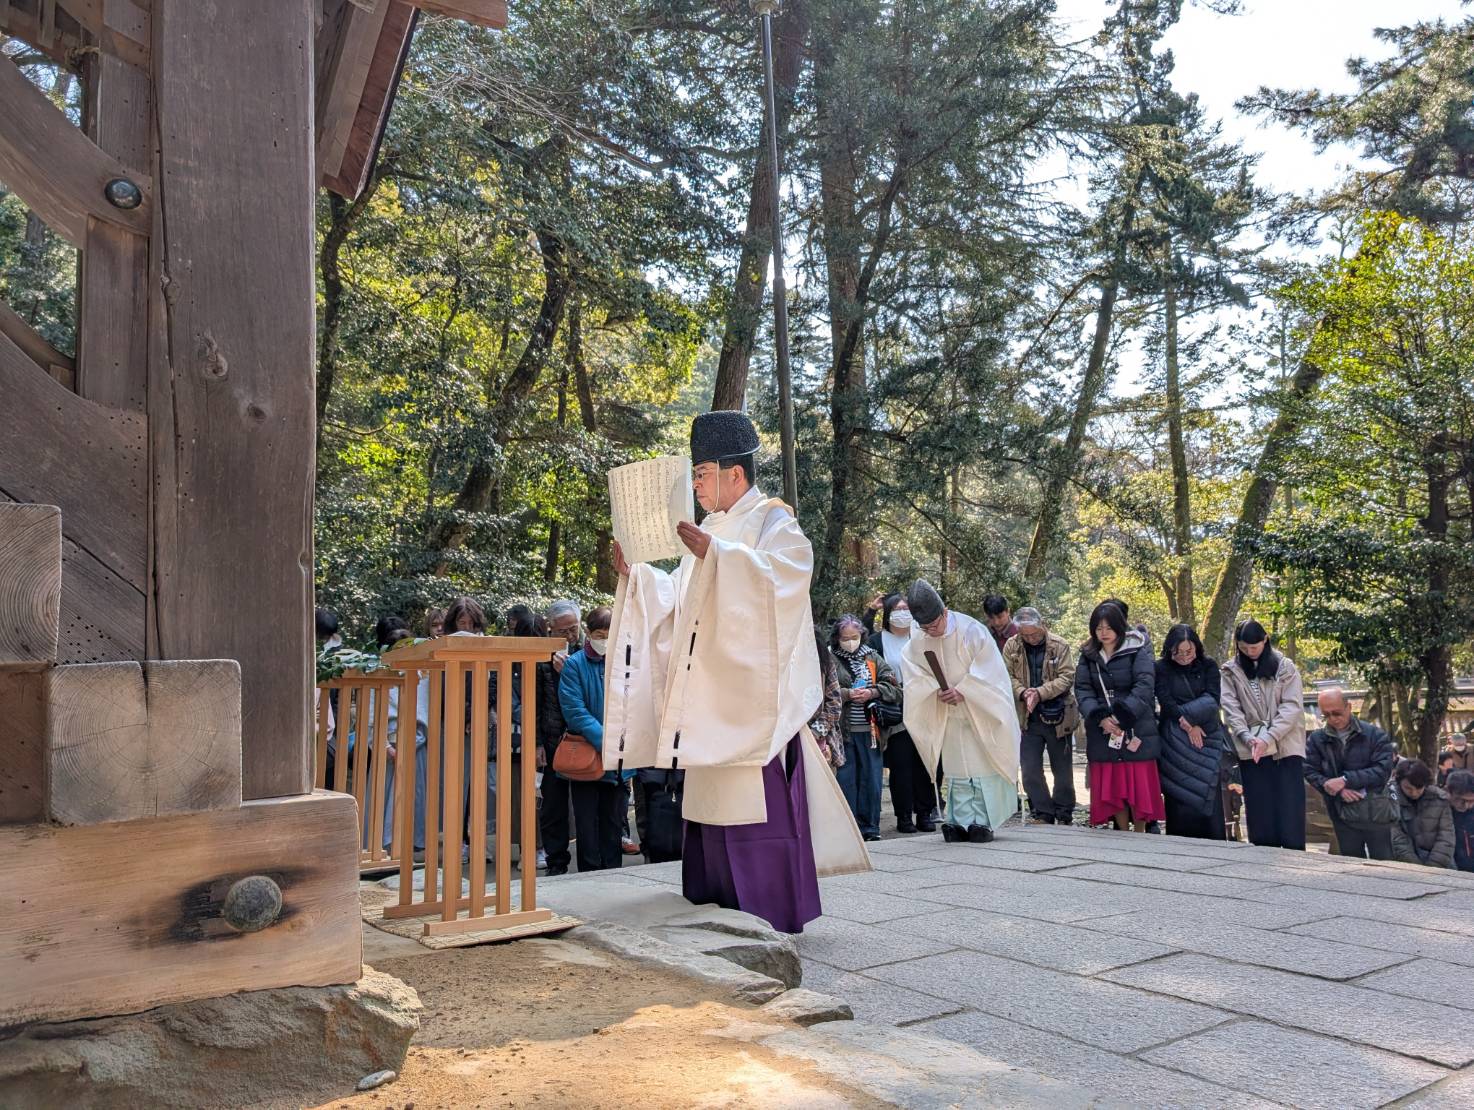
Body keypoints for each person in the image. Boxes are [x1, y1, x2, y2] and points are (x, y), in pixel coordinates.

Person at [605, 410, 868, 932]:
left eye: (702, 474)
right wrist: (639, 578)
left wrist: (722, 558)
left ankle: (766, 909)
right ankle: (714, 902)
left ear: (735, 473)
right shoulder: (708, 531)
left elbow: (789, 578)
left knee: (752, 805)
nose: (696, 486)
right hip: (711, 699)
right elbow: (681, 604)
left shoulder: (773, 520)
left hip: (750, 704)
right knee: (711, 805)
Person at [901, 579, 1019, 844]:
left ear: (944, 612)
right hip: (947, 712)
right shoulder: (918, 637)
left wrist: (965, 689)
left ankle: (982, 821)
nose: (930, 632)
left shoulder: (972, 631)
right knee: (957, 769)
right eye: (924, 627)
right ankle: (958, 820)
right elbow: (913, 672)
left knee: (981, 766)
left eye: (934, 625)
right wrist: (934, 689)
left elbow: (990, 671)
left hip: (979, 710)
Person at [556, 606, 634, 871]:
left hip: (618, 761)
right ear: (588, 633)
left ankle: (614, 876)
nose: (605, 640)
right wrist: (606, 741)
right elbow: (574, 712)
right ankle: (588, 876)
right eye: (600, 635)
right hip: (586, 760)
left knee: (614, 825)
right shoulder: (574, 665)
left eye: (610, 635)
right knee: (587, 826)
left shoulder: (625, 662)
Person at [1075, 601, 1163, 832]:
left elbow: (1144, 684)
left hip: (1135, 724)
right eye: (1098, 628)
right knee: (1114, 781)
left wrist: (1122, 716)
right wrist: (1100, 718)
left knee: (1137, 781)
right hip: (1103, 728)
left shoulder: (1137, 649)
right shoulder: (1088, 654)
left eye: (1108, 628)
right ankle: (1122, 831)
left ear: (1119, 627)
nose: (1103, 633)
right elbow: (1083, 689)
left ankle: (1140, 830)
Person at [1220, 619, 1307, 850]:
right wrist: (1247, 737)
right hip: (1252, 748)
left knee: (1290, 807)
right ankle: (1263, 855)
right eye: (1244, 648)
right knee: (1260, 808)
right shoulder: (1230, 671)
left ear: (1265, 640)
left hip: (1285, 747)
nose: (1249, 652)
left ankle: (1295, 856)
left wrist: (1268, 737)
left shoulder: (1285, 667)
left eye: (1254, 647)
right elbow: (1231, 708)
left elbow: (1291, 706)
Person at [1154, 624, 1235, 841]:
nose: (1183, 657)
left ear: (1196, 648)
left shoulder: (1209, 666)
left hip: (1207, 734)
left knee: (1208, 792)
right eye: (1178, 652)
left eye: (1188, 651)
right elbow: (1165, 701)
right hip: (1175, 738)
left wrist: (1196, 723)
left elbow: (1212, 699)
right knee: (1179, 796)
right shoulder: (1161, 668)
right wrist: (1188, 725)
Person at [1001, 607, 1077, 825]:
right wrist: (1023, 692)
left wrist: (1040, 692)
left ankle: (1064, 813)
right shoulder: (1012, 645)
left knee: (1062, 770)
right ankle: (1043, 812)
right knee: (1029, 769)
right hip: (1027, 716)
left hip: (1058, 716)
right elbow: (1005, 675)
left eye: (1034, 634)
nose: (1030, 639)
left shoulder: (1060, 645)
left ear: (1042, 625)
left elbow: (1067, 676)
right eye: (1025, 635)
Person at [868, 594, 937, 833]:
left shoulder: (921, 637)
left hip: (925, 707)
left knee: (925, 763)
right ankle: (904, 816)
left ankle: (925, 813)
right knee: (901, 765)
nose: (902, 612)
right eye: (897, 609)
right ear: (888, 614)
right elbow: (866, 663)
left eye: (906, 608)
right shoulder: (877, 641)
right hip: (895, 712)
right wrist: (870, 612)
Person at [1304, 687, 1397, 860]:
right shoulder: (1317, 739)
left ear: (1349, 707)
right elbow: (1309, 770)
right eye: (1326, 715)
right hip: (1341, 811)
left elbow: (1382, 770)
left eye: (1337, 713)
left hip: (1375, 810)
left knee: (1384, 862)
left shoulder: (1374, 735)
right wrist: (1334, 787)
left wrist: (1346, 780)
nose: (1333, 719)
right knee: (1351, 861)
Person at [831, 614, 900, 842]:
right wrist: (847, 694)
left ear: (862, 635)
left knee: (871, 780)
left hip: (872, 732)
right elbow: (821, 690)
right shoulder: (830, 658)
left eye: (855, 637)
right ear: (837, 638)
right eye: (845, 638)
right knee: (846, 780)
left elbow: (894, 688)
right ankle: (849, 830)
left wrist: (873, 692)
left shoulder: (873, 657)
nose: (850, 642)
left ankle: (870, 827)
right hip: (843, 732)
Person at [1391, 758, 1455, 869]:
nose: (1414, 793)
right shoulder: (1391, 799)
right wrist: (1416, 869)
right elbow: (1397, 838)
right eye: (1408, 788)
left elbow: (1446, 837)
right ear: (1399, 783)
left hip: (1439, 862)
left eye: (1419, 788)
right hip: (1404, 863)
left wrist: (1434, 866)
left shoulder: (1440, 799)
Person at [1447, 769, 1474, 873]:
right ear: (1449, 792)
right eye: (1462, 800)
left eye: (1471, 801)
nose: (1467, 806)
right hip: (1451, 871)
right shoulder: (1440, 811)